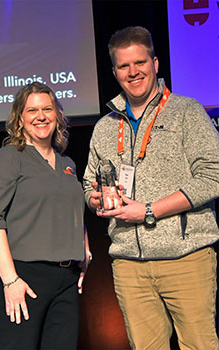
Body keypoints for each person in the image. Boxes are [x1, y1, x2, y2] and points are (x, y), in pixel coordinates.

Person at [83, 26, 219, 350]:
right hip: (129, 263)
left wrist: (148, 210)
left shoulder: (187, 111)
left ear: (155, 64)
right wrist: (96, 200)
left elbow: (212, 176)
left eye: (139, 62)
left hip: (186, 258)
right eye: (124, 66)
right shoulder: (105, 127)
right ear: (115, 72)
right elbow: (88, 184)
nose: (133, 72)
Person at [0, 82, 92, 350]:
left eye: (47, 109)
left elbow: (73, 210)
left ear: (57, 115)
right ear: (20, 118)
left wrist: (85, 249)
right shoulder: (6, 158)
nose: (40, 116)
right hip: (24, 277)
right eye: (32, 110)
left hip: (66, 280)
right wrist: (11, 280)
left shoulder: (67, 163)